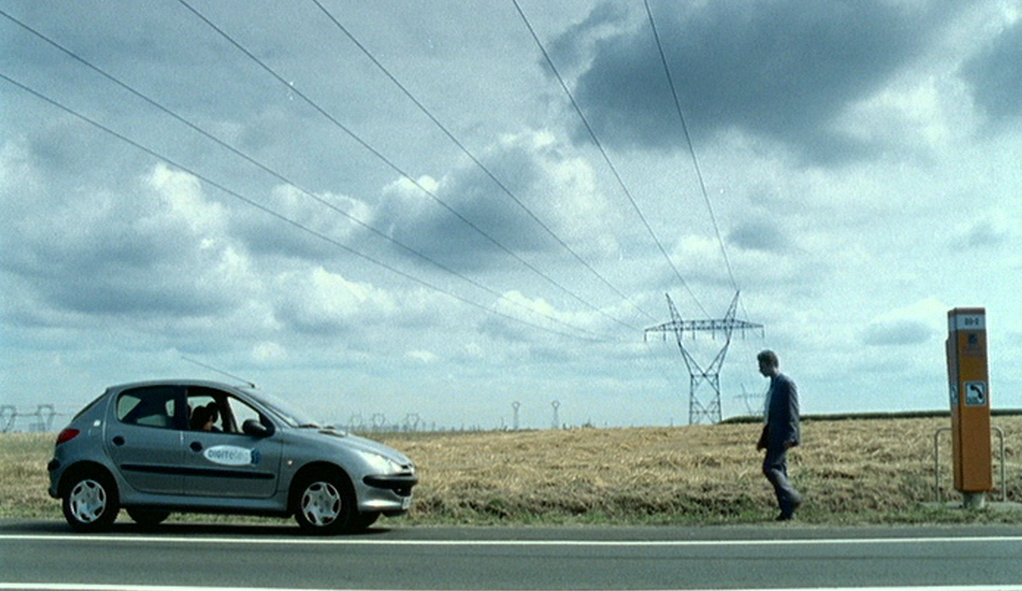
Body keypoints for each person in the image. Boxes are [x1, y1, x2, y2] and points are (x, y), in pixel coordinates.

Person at [756, 349, 803, 520]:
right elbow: (769, 415)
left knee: (770, 468)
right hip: (773, 435)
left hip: (782, 435)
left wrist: (792, 436)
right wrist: (764, 438)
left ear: (771, 364)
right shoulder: (774, 384)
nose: (760, 370)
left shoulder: (785, 384)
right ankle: (787, 511)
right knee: (780, 471)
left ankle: (793, 497)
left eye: (762, 366)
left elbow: (792, 410)